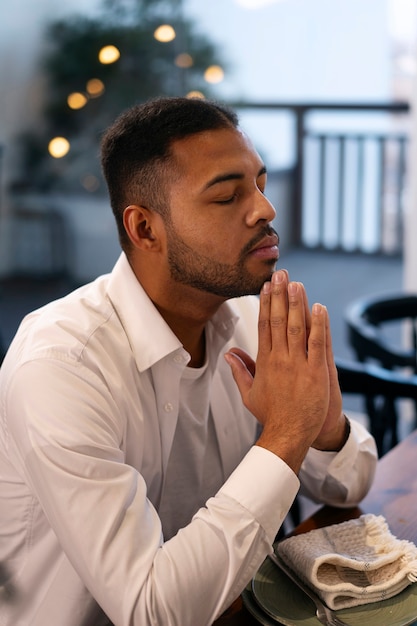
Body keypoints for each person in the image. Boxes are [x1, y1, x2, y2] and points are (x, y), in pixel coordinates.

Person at [0, 96, 377, 626]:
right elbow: (152, 611)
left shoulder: (249, 320)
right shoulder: (60, 366)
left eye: (260, 184)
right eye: (227, 196)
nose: (265, 209)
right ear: (145, 229)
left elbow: (352, 484)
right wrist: (288, 432)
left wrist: (323, 419)